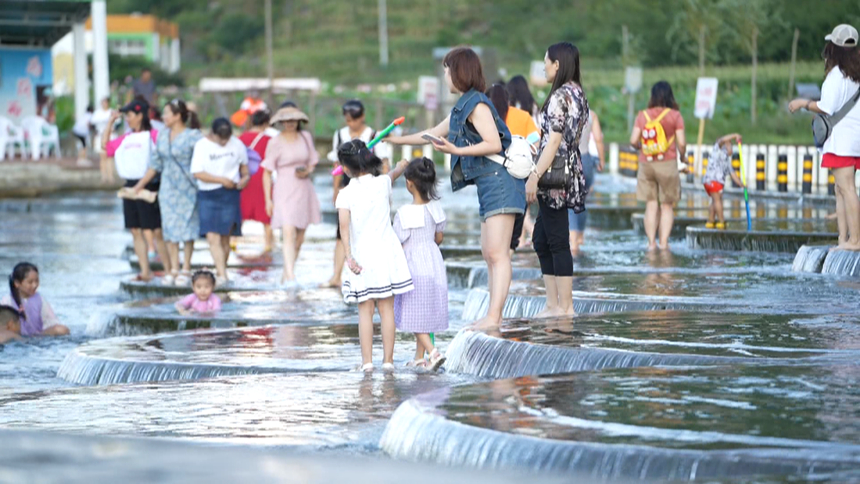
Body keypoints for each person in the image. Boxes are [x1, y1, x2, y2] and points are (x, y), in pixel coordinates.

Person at [388, 46, 524, 330]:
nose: (445, 76)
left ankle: (494, 317)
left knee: (497, 254)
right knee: (489, 252)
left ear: (459, 72)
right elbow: (430, 135)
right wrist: (393, 139)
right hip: (489, 187)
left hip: (501, 183)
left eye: (447, 70)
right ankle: (492, 314)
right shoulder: (463, 106)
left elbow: (494, 144)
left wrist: (456, 150)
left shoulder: (478, 105)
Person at [525, 42, 589, 319]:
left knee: (558, 240)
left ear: (558, 64)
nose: (543, 65)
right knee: (541, 238)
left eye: (546, 61)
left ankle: (565, 307)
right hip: (568, 170)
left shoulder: (560, 97)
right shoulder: (579, 94)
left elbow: (553, 142)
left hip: (553, 173)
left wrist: (534, 176)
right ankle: (553, 304)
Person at [336, 140, 411, 371]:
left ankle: (366, 363)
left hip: (362, 256)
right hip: (387, 253)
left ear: (346, 169)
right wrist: (402, 163)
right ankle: (388, 361)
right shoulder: (383, 183)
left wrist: (349, 257)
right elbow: (396, 171)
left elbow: (344, 229)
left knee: (365, 311)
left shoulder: (345, 194)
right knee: (387, 309)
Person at [789, 24, 860, 251]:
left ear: (834, 48)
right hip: (855, 140)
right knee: (840, 189)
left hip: (841, 142)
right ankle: (843, 239)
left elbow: (827, 106)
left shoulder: (836, 75)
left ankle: (855, 240)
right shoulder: (856, 74)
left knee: (846, 189)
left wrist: (803, 103)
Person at [133, 99, 204, 285]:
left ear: (178, 116)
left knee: (188, 227)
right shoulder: (162, 137)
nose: (163, 117)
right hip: (168, 188)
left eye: (167, 113)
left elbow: (204, 157)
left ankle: (186, 268)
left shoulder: (193, 136)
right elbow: (155, 165)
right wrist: (139, 185)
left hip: (188, 187)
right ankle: (174, 268)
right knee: (169, 229)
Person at [103, 99, 169, 281]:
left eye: (130, 116)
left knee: (156, 230)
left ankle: (170, 271)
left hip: (150, 184)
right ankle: (145, 271)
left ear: (140, 115)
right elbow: (106, 147)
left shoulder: (154, 135)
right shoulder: (126, 137)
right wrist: (110, 123)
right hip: (130, 186)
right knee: (135, 230)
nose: (128, 120)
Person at [393, 157, 448, 371]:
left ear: (409, 183)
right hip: (434, 265)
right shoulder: (436, 208)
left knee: (412, 313)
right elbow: (439, 238)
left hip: (413, 267)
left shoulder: (404, 213)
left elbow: (397, 241)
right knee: (423, 311)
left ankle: (433, 353)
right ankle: (419, 357)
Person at [262, 106, 321, 286]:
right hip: (283, 187)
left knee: (299, 236)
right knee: (288, 231)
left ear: (299, 121)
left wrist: (308, 171)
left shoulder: (305, 137)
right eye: (286, 121)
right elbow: (266, 171)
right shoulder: (275, 141)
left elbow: (312, 161)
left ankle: (287, 272)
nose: (290, 124)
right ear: (281, 122)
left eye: (293, 120)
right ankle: (290, 276)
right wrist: (268, 200)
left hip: (303, 187)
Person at [324, 100, 380, 288]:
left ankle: (370, 273)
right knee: (341, 233)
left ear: (362, 117)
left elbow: (384, 163)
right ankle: (336, 276)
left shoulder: (373, 135)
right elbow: (336, 165)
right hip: (348, 188)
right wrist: (335, 190)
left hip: (369, 188)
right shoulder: (339, 135)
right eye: (347, 120)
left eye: (353, 120)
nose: (350, 124)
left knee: (368, 231)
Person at [191, 118, 250, 282]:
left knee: (225, 237)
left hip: (230, 194)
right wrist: (221, 180)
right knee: (212, 236)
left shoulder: (237, 144)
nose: (224, 142)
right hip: (208, 193)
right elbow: (197, 172)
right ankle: (221, 274)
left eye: (227, 138)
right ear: (212, 134)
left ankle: (221, 270)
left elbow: (245, 170)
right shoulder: (201, 146)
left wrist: (244, 180)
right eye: (221, 139)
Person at [630, 81, 687, 251]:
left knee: (651, 203)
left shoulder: (643, 115)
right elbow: (682, 143)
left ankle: (651, 243)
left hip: (646, 164)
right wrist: (682, 156)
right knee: (667, 205)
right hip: (667, 163)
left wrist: (642, 148)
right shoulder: (675, 116)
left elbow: (633, 140)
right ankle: (663, 243)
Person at [486, 83, 540, 254]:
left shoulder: (487, 118)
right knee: (511, 242)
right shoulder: (523, 117)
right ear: (508, 99)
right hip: (519, 181)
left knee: (495, 241)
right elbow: (536, 144)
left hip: (493, 182)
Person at [568, 109, 606, 253]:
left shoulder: (560, 110)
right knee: (581, 200)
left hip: (567, 159)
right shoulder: (591, 114)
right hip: (585, 160)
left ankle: (573, 242)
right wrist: (602, 160)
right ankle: (580, 236)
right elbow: (598, 139)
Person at [239, 110, 274, 252]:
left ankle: (232, 240)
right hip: (262, 177)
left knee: (241, 210)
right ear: (266, 123)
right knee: (266, 214)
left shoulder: (241, 137)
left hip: (245, 176)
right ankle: (269, 244)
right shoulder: (268, 140)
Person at [1, 263, 70, 337]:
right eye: (30, 282)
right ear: (17, 283)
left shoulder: (39, 299)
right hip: (16, 337)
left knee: (62, 329)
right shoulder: (7, 300)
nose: (35, 285)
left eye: (37, 281)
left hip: (38, 336)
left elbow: (52, 321)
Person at [703, 134, 745, 229]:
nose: (732, 149)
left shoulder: (726, 160)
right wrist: (735, 135)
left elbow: (733, 174)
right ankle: (721, 221)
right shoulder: (717, 150)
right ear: (724, 146)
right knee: (718, 201)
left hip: (709, 181)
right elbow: (722, 139)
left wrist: (741, 184)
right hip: (714, 180)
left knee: (714, 201)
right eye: (730, 146)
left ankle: (711, 220)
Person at [91, 97, 116, 183]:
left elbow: (117, 123)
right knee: (102, 157)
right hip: (100, 135)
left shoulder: (111, 112)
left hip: (110, 135)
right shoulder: (97, 113)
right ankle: (104, 176)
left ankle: (111, 176)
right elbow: (93, 122)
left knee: (110, 157)